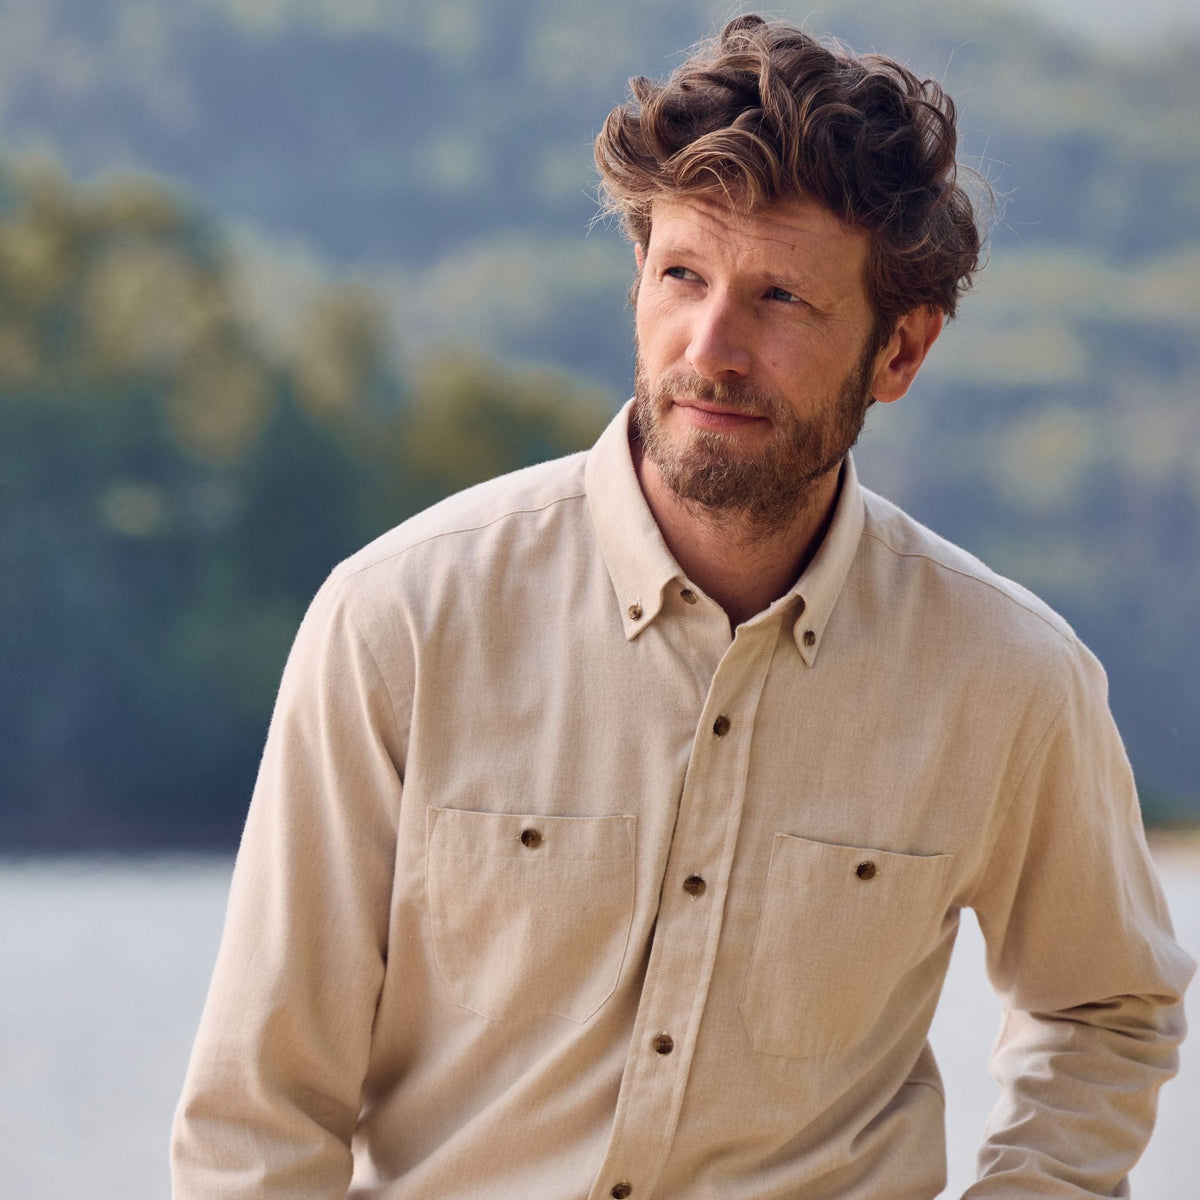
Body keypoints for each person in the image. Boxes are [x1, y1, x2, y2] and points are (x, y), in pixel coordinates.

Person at [172, 15, 1193, 1199]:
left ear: (902, 350)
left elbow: (1106, 1006)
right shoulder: (399, 621)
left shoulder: (1009, 677)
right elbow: (261, 1113)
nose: (712, 348)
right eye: (682, 277)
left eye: (781, 298)